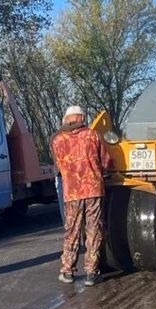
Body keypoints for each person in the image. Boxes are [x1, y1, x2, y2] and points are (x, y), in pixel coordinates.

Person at [50, 105, 111, 286]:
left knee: (72, 230)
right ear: (82, 118)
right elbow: (106, 161)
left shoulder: (57, 140)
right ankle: (92, 273)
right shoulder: (93, 135)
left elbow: (58, 166)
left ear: (66, 119)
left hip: (72, 192)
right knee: (93, 229)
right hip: (93, 189)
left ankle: (67, 271)